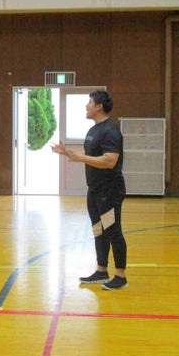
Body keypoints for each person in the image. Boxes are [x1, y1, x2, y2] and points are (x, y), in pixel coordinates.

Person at [51, 90, 128, 291]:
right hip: (94, 190)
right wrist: (68, 153)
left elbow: (110, 161)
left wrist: (81, 158)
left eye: (89, 103)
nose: (86, 106)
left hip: (109, 192)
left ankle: (120, 276)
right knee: (98, 230)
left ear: (99, 106)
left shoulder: (110, 131)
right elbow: (91, 154)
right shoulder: (94, 130)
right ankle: (101, 270)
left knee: (113, 231)